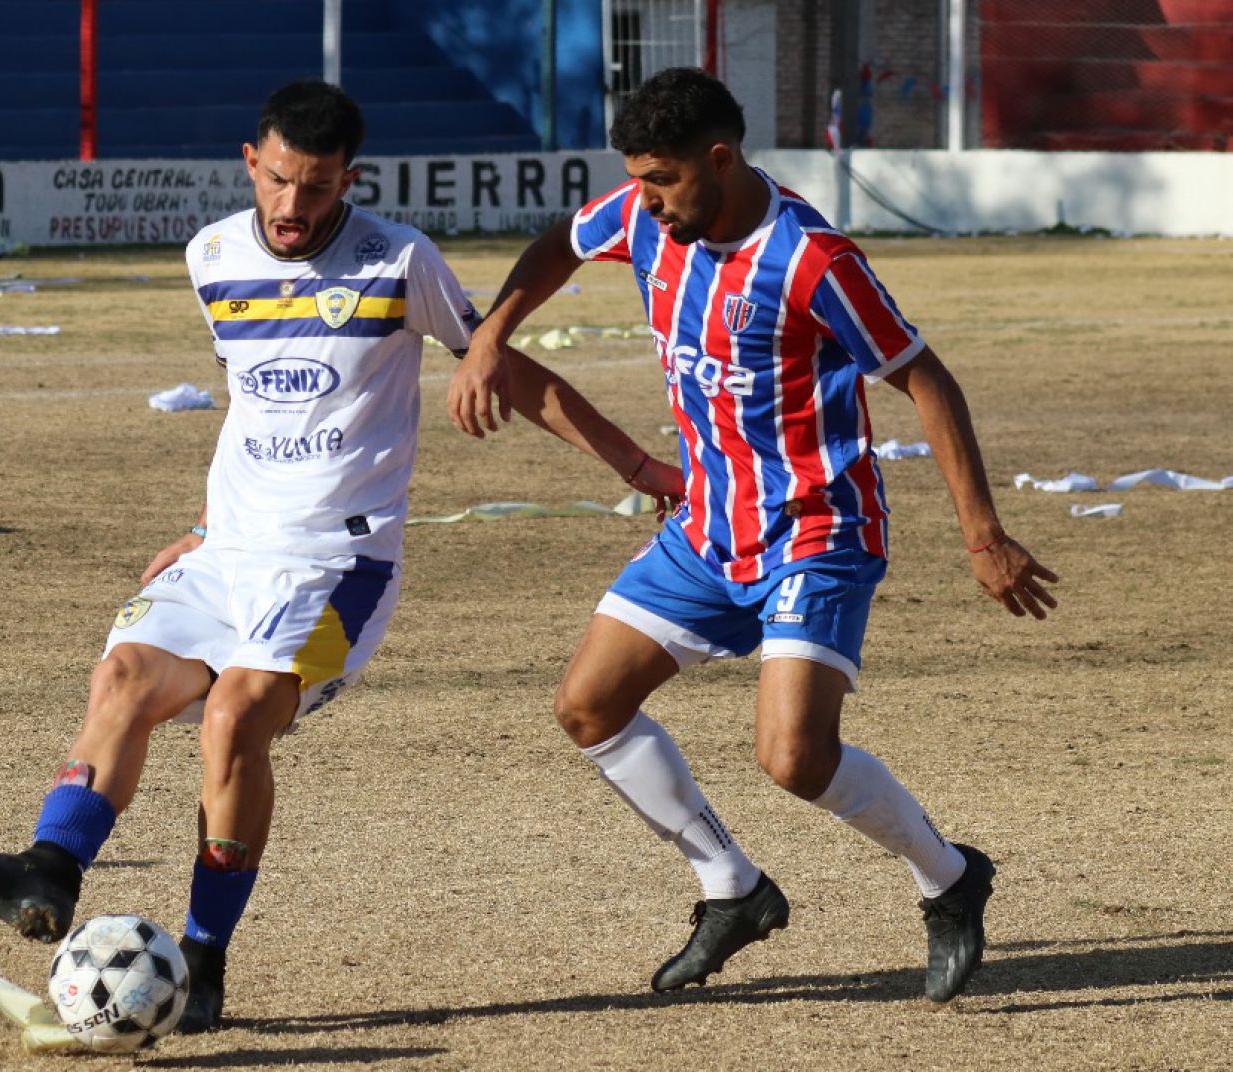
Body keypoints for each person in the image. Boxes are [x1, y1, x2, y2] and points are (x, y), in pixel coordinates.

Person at [0, 80, 673, 1033]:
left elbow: (509, 369)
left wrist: (641, 465)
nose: (291, 207)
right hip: (228, 551)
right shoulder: (212, 257)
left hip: (337, 570)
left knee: (233, 719)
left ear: (347, 180)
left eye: (315, 189)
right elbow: (258, 403)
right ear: (250, 163)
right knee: (121, 679)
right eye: (277, 181)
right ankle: (47, 873)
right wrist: (206, 522)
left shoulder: (401, 260)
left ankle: (204, 961)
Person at [448, 67, 1060, 1003]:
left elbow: (927, 381)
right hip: (706, 525)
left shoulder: (813, 259)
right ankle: (731, 888)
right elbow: (556, 247)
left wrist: (984, 536)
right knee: (587, 706)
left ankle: (948, 876)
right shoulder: (643, 215)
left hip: (818, 529)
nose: (644, 203)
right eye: (638, 181)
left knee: (793, 759)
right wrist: (493, 331)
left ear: (720, 159)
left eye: (660, 180)